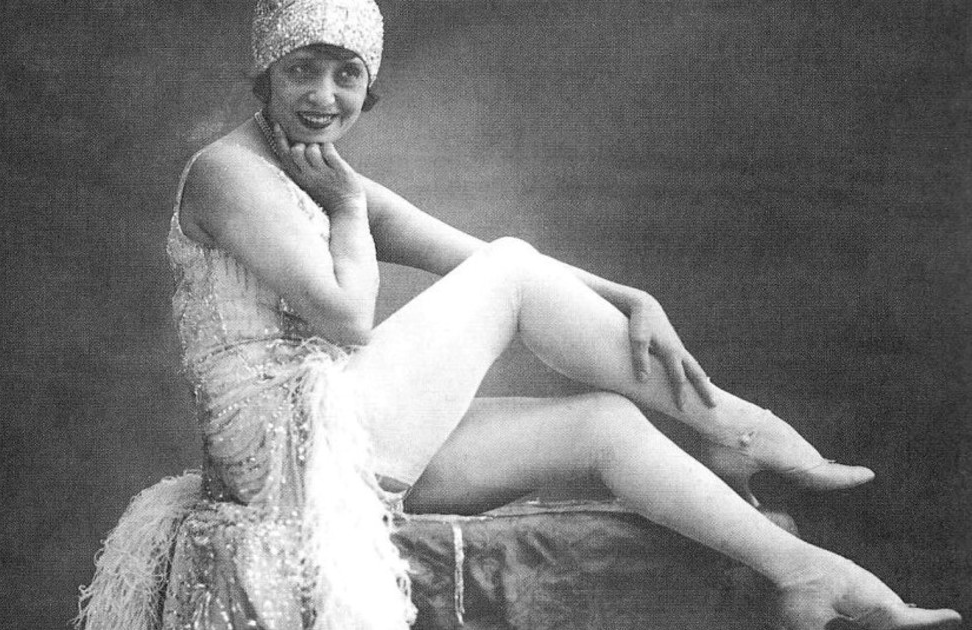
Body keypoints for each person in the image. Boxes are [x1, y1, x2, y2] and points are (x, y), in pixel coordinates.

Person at [79, 1, 964, 629]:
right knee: (507, 270)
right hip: (282, 455)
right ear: (265, 75)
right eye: (301, 69)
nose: (323, 95)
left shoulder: (316, 167)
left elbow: (492, 261)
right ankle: (738, 426)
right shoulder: (229, 173)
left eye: (347, 74)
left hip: (342, 442)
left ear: (368, 85)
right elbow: (349, 318)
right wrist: (349, 213)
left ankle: (808, 575)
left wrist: (631, 296)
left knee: (601, 424)